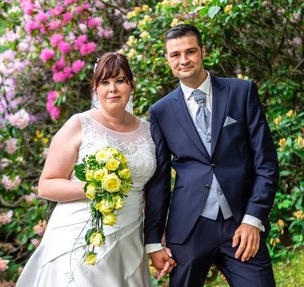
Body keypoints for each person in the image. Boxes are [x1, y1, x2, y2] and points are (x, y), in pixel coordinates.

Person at [144, 24, 279, 287]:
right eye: (175, 54)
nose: (184, 60)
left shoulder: (241, 92)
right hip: (189, 229)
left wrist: (254, 219)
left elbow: (266, 162)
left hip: (240, 223)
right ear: (168, 59)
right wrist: (152, 240)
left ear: (203, 51)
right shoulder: (160, 112)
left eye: (191, 51)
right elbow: (159, 181)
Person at [16, 52, 157, 287]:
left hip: (130, 238)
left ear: (131, 85)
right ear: (96, 88)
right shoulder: (79, 124)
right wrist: (95, 186)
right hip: (81, 235)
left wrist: (156, 236)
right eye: (105, 82)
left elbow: (153, 192)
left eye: (120, 81)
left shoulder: (149, 131)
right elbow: (47, 184)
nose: (112, 89)